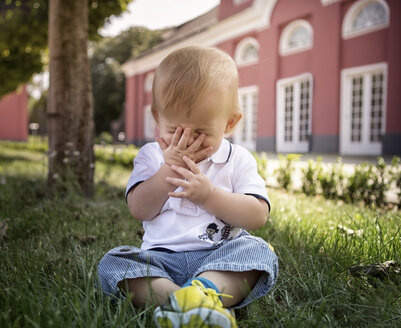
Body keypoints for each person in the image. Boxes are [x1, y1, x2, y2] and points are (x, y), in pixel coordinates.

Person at [98, 46, 278, 328]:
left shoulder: (238, 159)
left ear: (229, 122)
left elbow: (258, 216)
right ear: (157, 118)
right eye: (175, 132)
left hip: (220, 259)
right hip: (159, 261)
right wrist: (167, 168)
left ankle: (201, 293)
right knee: (113, 262)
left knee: (258, 251)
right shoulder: (151, 155)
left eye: (201, 133)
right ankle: (180, 300)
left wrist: (210, 197)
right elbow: (139, 209)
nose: (188, 142)